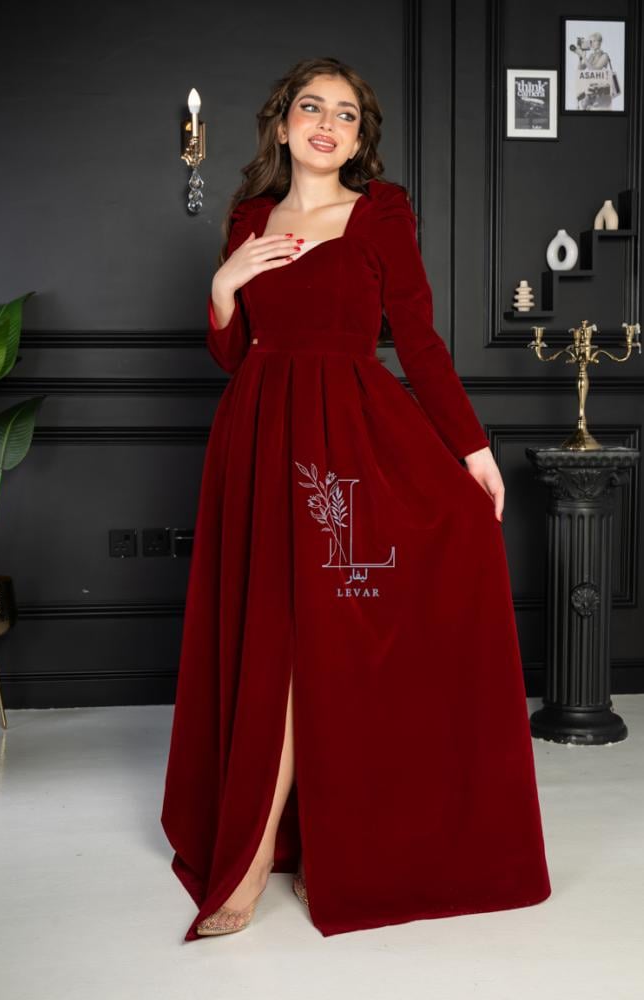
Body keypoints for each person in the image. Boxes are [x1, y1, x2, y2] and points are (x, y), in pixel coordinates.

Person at [160, 56, 552, 942]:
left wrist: (473, 450)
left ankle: (292, 848)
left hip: (352, 436)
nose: (327, 124)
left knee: (323, 634)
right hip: (258, 438)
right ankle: (263, 845)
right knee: (279, 634)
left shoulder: (382, 214)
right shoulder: (249, 218)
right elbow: (234, 354)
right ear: (283, 123)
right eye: (312, 107)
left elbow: (418, 340)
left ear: (359, 137)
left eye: (346, 114)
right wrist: (224, 287)